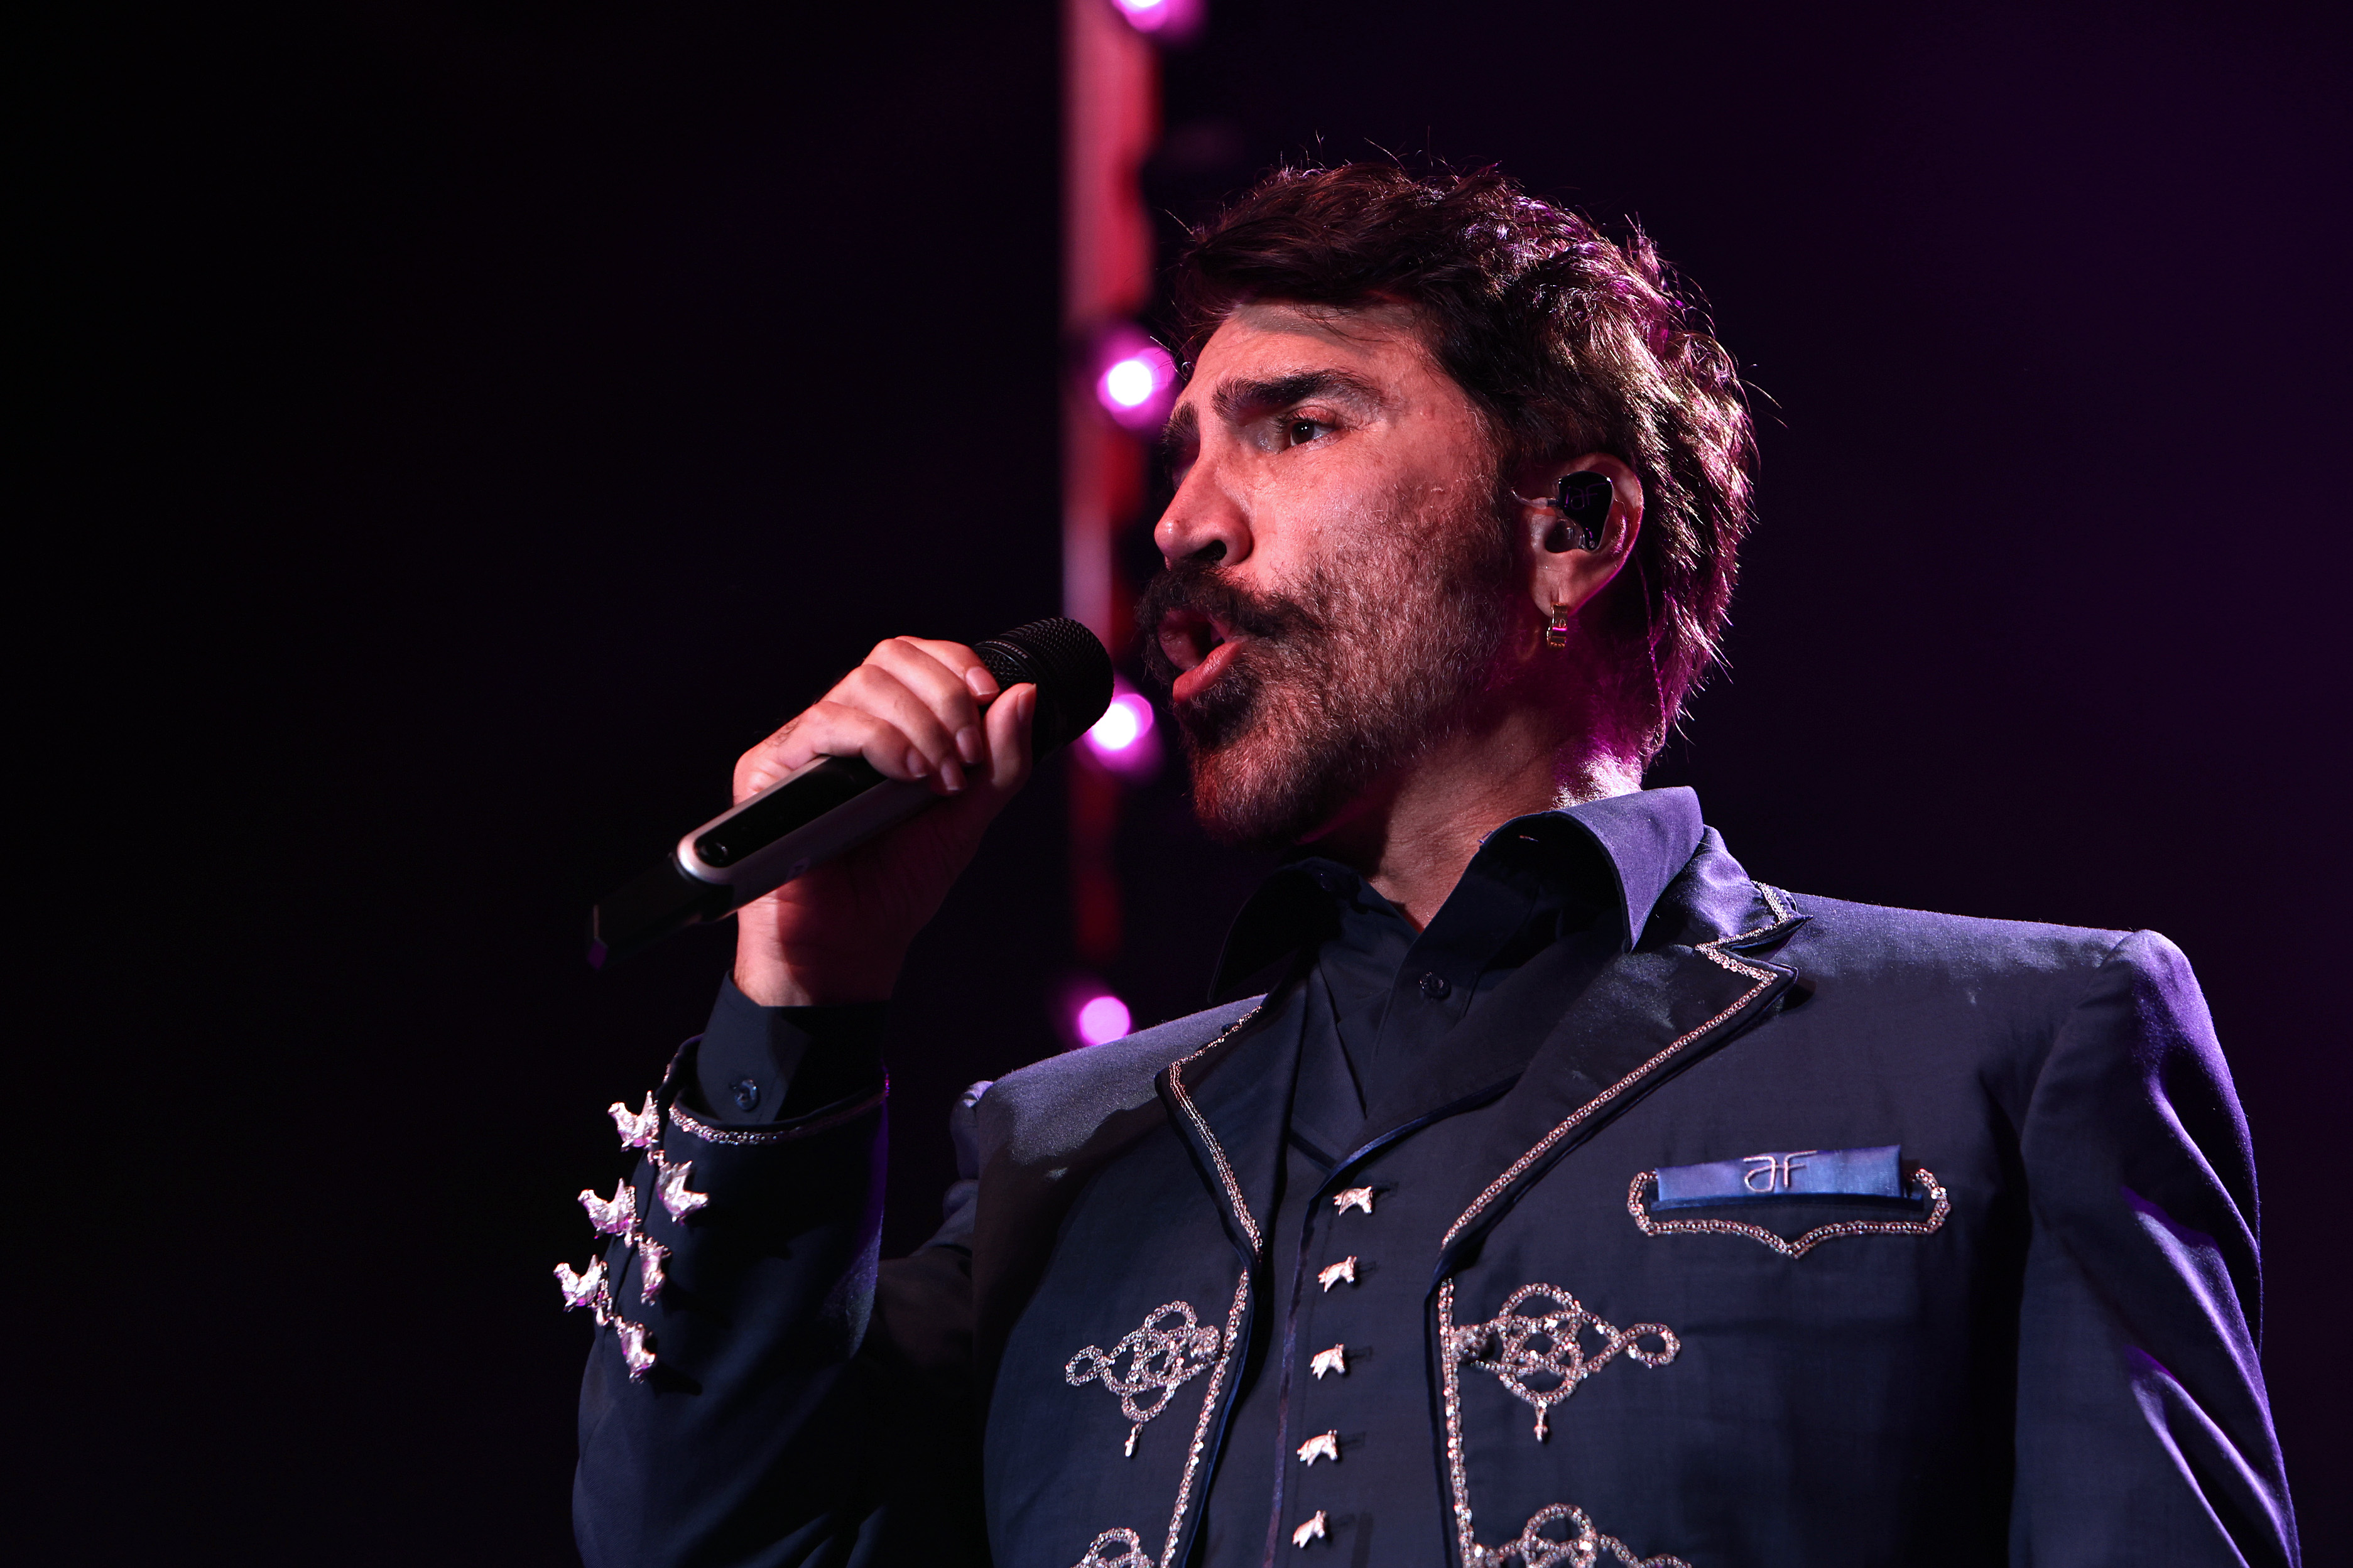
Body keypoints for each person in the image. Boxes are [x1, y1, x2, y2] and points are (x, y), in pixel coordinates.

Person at [562, 164, 2298, 1567]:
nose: (1180, 522)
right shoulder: (1058, 1156)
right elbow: (694, 1538)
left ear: (1571, 530)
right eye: (1181, 456)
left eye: (1294, 424)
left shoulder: (2015, 1043)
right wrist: (801, 989)